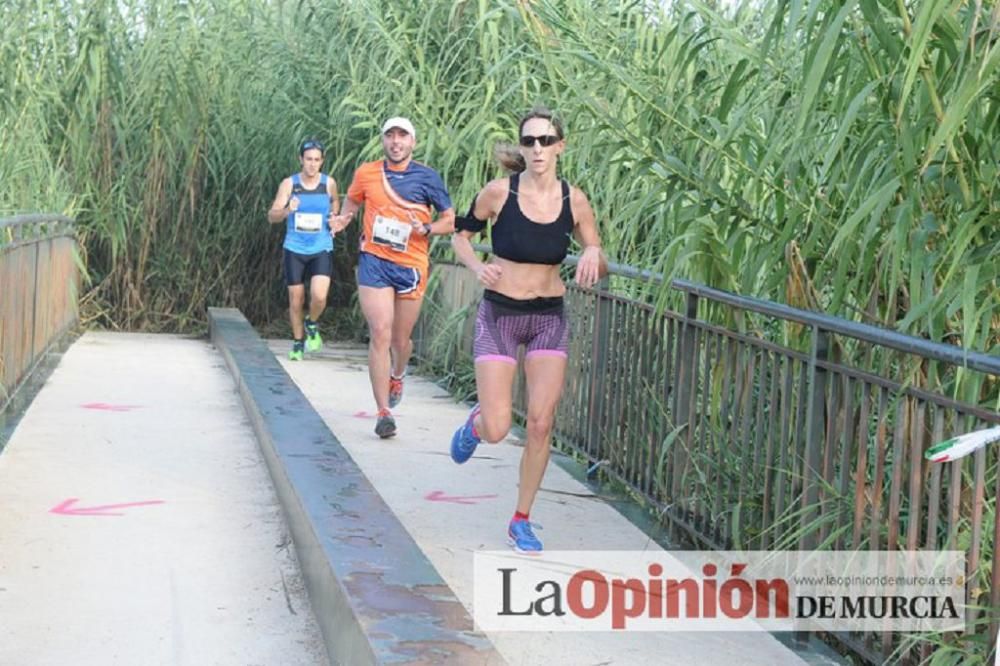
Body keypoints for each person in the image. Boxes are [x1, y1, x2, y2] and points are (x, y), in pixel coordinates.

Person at [449, 107, 606, 553]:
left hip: (547, 319)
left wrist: (595, 253)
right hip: (500, 315)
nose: (537, 148)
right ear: (522, 147)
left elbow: (594, 245)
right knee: (500, 427)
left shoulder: (575, 200)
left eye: (545, 140)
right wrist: (477, 266)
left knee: (540, 423)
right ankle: (476, 427)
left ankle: (521, 519)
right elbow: (460, 233)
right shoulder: (498, 193)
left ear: (560, 146)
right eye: (529, 140)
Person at [330, 117, 455, 438]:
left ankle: (398, 373)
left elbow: (449, 220)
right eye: (390, 136)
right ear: (383, 141)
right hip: (374, 260)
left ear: (412, 142)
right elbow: (354, 199)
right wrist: (345, 218)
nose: (396, 142)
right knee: (380, 332)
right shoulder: (367, 173)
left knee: (400, 340)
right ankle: (383, 412)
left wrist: (426, 228)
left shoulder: (428, 177)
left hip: (411, 265)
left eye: (402, 136)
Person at [267, 139, 339, 360]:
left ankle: (311, 322)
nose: (312, 164)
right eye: (308, 159)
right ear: (301, 160)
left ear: (322, 162)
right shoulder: (289, 184)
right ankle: (298, 342)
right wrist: (288, 209)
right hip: (295, 248)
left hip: (321, 246)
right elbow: (272, 216)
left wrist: (334, 218)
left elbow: (335, 202)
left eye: (317, 160)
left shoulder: (329, 183)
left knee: (319, 296)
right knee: (296, 299)